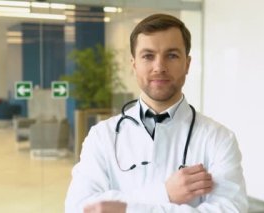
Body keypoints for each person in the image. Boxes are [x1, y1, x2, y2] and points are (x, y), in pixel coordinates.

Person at [65, 13, 248, 213]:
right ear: (134, 65)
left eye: (171, 55)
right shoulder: (102, 136)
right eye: (148, 56)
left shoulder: (218, 139)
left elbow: (230, 210)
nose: (159, 67)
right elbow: (80, 208)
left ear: (187, 64)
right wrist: (163, 194)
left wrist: (123, 208)